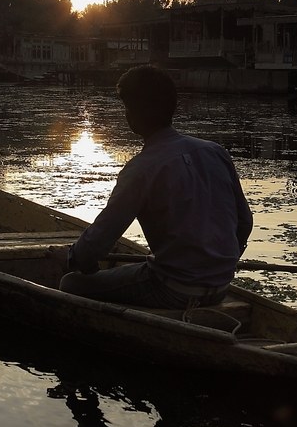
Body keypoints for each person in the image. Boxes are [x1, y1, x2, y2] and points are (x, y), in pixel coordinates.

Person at [59, 65, 253, 309]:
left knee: (71, 284)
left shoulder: (141, 169)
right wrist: (218, 263)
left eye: (127, 107)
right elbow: (244, 222)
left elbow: (96, 244)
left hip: (172, 290)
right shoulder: (215, 152)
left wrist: (72, 258)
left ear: (133, 114)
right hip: (221, 288)